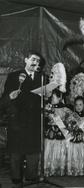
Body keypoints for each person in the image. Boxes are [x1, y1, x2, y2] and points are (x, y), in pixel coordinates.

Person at [1, 51, 45, 188]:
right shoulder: (14, 76)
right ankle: (16, 180)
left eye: (38, 61)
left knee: (33, 153)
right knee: (16, 153)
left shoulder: (42, 78)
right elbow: (4, 100)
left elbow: (45, 100)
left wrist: (48, 94)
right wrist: (10, 97)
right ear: (26, 60)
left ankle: (31, 178)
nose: (35, 63)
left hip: (35, 122)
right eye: (33, 59)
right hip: (18, 121)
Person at [44, 89, 84, 176]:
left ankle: (82, 168)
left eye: (53, 97)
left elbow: (73, 123)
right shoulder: (47, 107)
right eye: (50, 97)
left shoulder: (65, 109)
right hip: (52, 134)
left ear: (59, 97)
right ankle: (51, 168)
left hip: (65, 134)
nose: (51, 98)